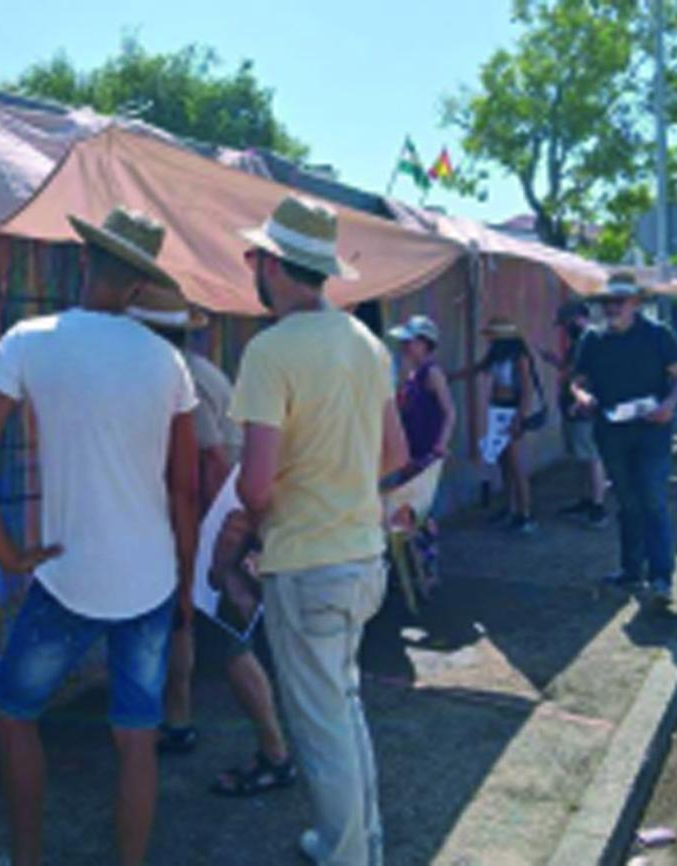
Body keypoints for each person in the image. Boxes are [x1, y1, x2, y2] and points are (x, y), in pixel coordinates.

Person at [0, 208, 199, 866]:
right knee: (136, 739)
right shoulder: (169, 365)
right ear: (142, 286)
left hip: (66, 576)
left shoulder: (28, 341)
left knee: (14, 714)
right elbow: (184, 489)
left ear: (85, 261)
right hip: (148, 580)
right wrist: (183, 582)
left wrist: (7, 554)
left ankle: (26, 860)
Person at [227, 194, 408, 865]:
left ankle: (347, 854)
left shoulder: (269, 351)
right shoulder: (365, 342)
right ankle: (359, 840)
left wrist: (250, 523)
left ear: (274, 265)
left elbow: (253, 485)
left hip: (304, 562)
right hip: (363, 554)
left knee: (320, 723)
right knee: (343, 706)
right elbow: (393, 454)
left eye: (254, 257)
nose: (251, 268)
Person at [126, 296, 298, 799]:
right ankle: (177, 721)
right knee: (185, 623)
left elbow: (214, 466)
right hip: (219, 522)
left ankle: (275, 752)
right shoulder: (195, 372)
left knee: (229, 644)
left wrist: (200, 547)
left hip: (216, 526)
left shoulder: (184, 381)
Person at [571, 277, 677, 606]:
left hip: (653, 429)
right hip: (611, 431)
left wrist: (669, 405)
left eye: (618, 301)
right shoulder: (592, 339)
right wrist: (583, 397)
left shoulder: (659, 334)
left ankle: (661, 577)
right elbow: (578, 381)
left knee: (652, 498)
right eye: (606, 301)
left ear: (635, 303)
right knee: (627, 502)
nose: (611, 307)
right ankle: (631, 570)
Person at [455, 317, 544, 533]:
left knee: (515, 465)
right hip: (497, 410)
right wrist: (450, 376)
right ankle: (511, 507)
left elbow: (526, 390)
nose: (489, 340)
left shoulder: (518, 357)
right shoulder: (496, 355)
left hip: (511, 412)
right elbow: (476, 369)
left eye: (493, 336)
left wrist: (518, 418)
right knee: (504, 463)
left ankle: (525, 513)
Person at [387, 314, 456, 584]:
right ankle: (416, 570)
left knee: (423, 514)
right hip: (410, 456)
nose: (404, 346)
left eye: (410, 341)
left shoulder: (432, 373)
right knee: (410, 514)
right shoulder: (412, 374)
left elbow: (450, 411)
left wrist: (441, 444)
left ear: (424, 343)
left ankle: (428, 571)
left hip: (426, 455)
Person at [542, 301, 609, 527]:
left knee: (591, 456)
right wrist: (557, 363)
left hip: (584, 407)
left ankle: (598, 506)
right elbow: (573, 370)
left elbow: (590, 374)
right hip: (572, 404)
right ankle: (586, 499)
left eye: (567, 322)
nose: (564, 328)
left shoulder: (590, 339)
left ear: (579, 317)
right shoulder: (577, 343)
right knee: (580, 457)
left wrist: (580, 403)